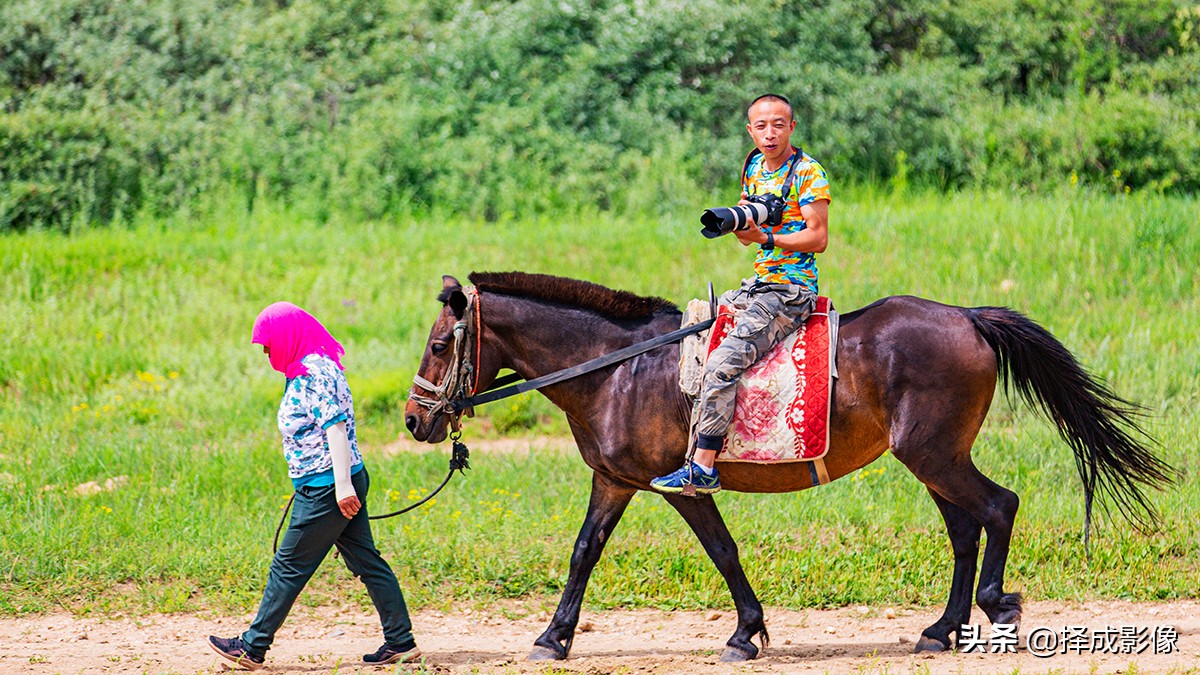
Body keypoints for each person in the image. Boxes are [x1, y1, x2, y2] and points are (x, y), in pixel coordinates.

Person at [207, 302, 420, 670]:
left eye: (268, 343)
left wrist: (340, 489)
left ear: (287, 335)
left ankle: (253, 646)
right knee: (367, 561)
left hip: (328, 488)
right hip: (334, 481)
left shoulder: (312, 372)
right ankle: (401, 641)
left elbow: (335, 429)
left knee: (288, 566)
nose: (266, 351)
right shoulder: (307, 366)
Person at [651, 93, 831, 495]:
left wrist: (766, 234)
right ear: (750, 130)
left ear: (792, 127)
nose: (770, 134)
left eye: (778, 125)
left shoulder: (808, 172)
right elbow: (746, 242)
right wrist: (742, 226)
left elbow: (818, 237)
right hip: (758, 283)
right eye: (761, 126)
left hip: (790, 290)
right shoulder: (752, 164)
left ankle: (703, 468)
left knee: (720, 364)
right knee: (695, 337)